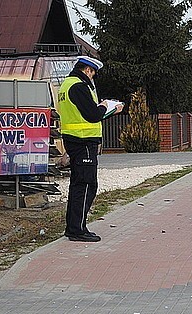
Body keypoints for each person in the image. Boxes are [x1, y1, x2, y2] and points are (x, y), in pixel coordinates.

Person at [57, 56, 124, 242]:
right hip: (83, 141)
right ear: (87, 70)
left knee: (78, 184)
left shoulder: (66, 85)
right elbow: (93, 115)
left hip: (75, 140)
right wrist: (105, 107)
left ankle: (73, 227)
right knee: (86, 185)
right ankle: (77, 230)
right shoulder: (79, 86)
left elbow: (81, 114)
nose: (93, 77)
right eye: (93, 73)